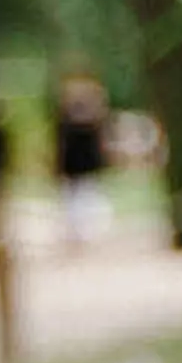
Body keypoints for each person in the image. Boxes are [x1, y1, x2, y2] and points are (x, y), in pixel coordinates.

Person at [53, 71, 110, 247]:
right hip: (75, 168)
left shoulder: (87, 125)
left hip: (83, 168)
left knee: (87, 197)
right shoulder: (69, 124)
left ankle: (86, 232)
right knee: (77, 200)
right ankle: (79, 233)